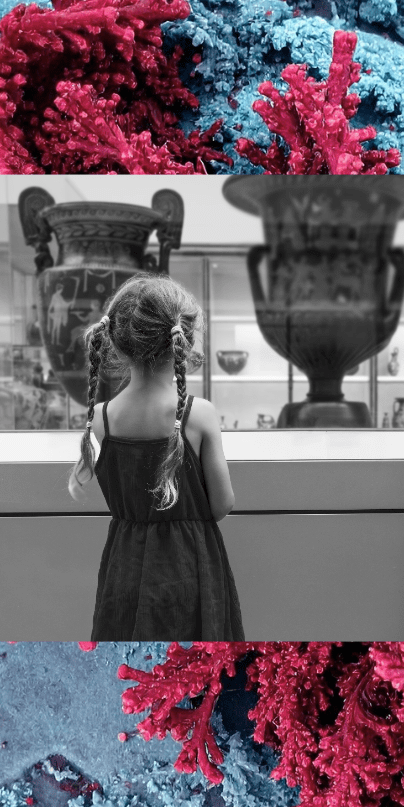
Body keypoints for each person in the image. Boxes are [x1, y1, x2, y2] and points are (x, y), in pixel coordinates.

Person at [68, 273, 244, 640]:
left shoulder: (100, 419)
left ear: (116, 343)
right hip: (192, 567)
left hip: (125, 567)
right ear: (185, 340)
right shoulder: (199, 414)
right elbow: (222, 504)